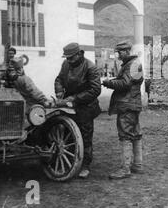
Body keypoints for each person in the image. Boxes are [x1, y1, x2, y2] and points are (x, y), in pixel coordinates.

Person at [54, 42, 102, 179]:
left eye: (71, 58)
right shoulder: (66, 64)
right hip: (69, 105)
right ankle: (72, 160)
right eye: (67, 58)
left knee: (85, 136)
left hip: (86, 106)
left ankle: (85, 165)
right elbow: (59, 79)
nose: (69, 60)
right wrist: (58, 92)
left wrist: (74, 98)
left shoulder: (90, 67)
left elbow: (95, 90)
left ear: (80, 54)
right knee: (68, 133)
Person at [102, 41, 144, 180]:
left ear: (126, 51)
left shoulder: (131, 65)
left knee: (125, 135)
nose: (118, 55)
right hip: (133, 104)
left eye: (119, 52)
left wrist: (108, 82)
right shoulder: (134, 64)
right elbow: (127, 81)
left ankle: (125, 168)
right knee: (135, 133)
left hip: (127, 105)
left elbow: (125, 84)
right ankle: (137, 164)